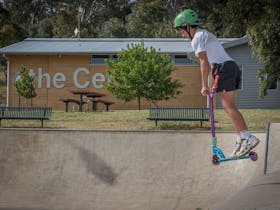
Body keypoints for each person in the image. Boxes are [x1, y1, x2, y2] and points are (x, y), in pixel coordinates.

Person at [173, 9, 260, 157]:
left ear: (187, 26)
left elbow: (204, 62)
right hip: (230, 66)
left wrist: (204, 85)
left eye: (181, 31)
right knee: (229, 106)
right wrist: (212, 81)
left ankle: (247, 137)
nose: (181, 35)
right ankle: (240, 138)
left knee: (228, 106)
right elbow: (211, 63)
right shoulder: (204, 34)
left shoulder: (197, 38)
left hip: (224, 68)